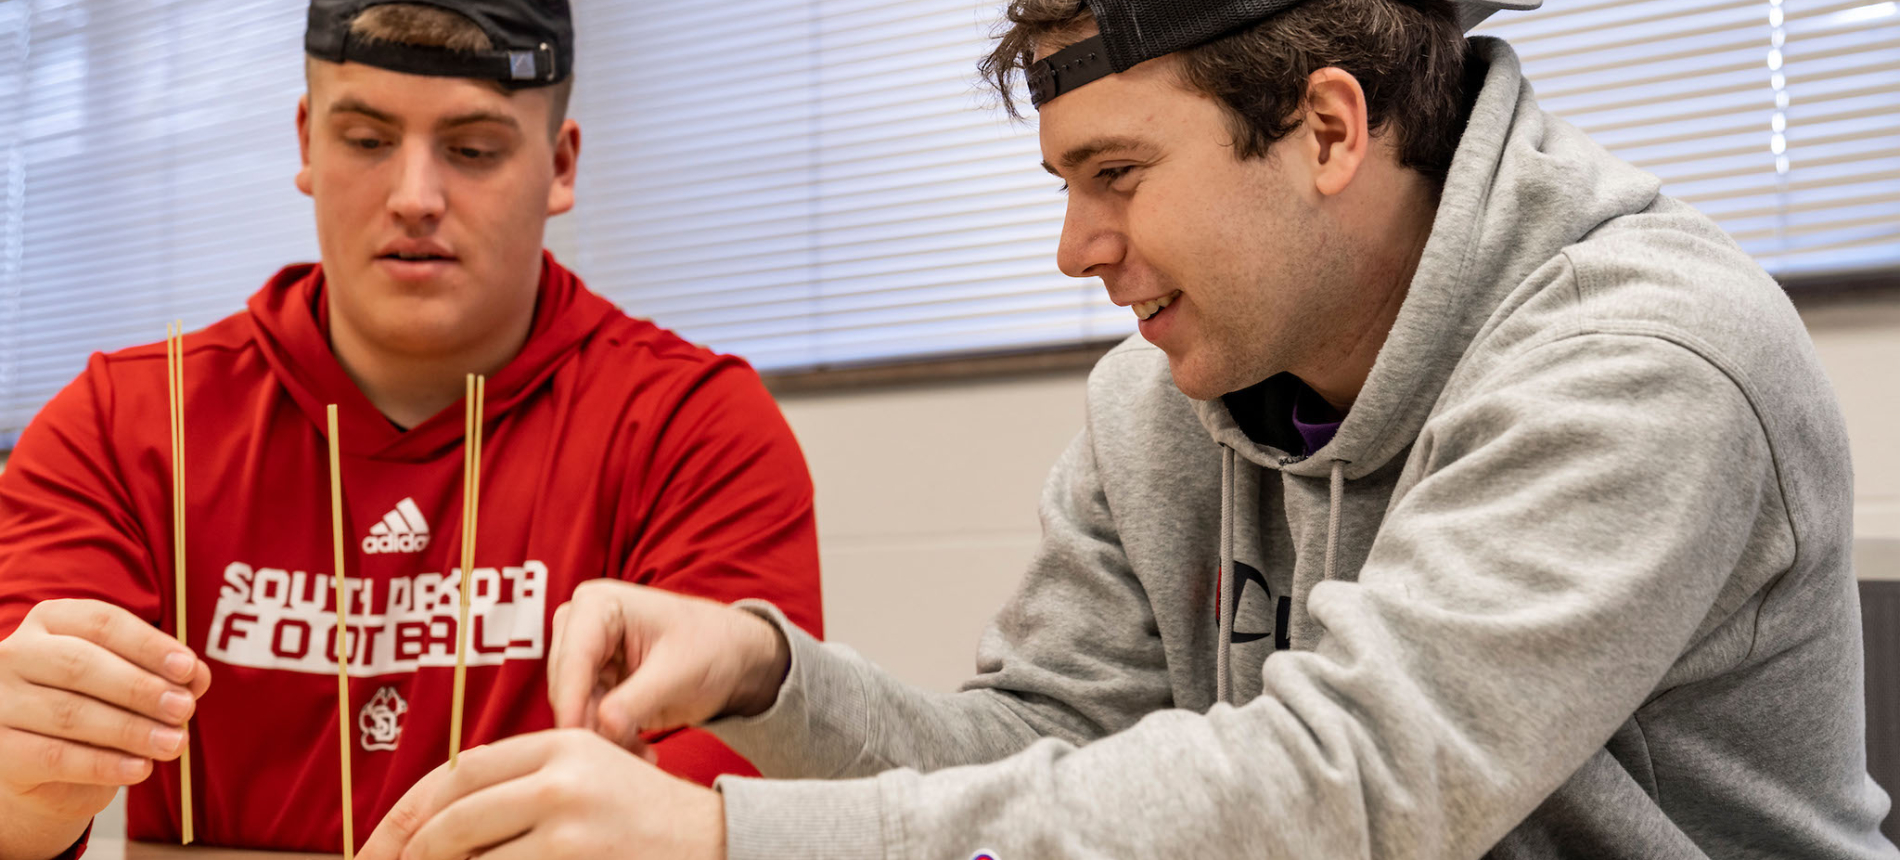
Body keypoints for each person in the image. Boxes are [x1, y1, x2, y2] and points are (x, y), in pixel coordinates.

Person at [359, 0, 1900, 857]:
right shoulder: (1166, 397)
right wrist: (772, 677)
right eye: (1064, 187)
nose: (1077, 247)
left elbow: (1344, 790)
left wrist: (718, 850)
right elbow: (1059, 753)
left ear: (1328, 129)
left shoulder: (1648, 361)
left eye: (1116, 175)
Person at [0, 1, 824, 857]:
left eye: (473, 150)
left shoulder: (695, 428)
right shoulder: (121, 423)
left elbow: (724, 822)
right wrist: (22, 793)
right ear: (306, 142)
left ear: (561, 164)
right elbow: (24, 807)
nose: (415, 198)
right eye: (366, 140)